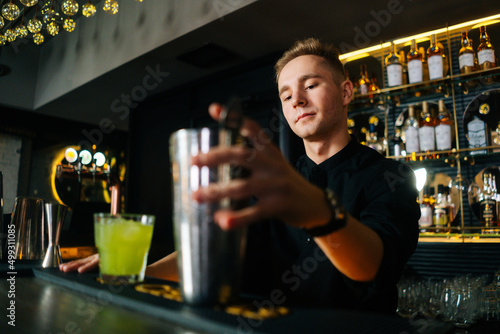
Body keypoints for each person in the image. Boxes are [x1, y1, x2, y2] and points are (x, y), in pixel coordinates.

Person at [60, 38, 420, 314]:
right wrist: (135, 271)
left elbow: (375, 265)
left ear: (345, 92)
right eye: (286, 93)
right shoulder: (271, 182)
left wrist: (319, 213)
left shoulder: (389, 176)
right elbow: (219, 250)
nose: (296, 100)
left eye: (310, 85)